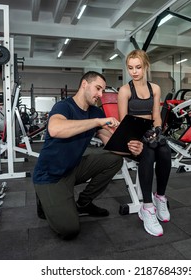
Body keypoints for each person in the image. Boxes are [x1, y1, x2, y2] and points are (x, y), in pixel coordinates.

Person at [33, 71, 143, 240]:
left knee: (114, 160)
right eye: (98, 89)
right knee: (70, 229)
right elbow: (55, 129)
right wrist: (98, 122)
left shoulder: (95, 112)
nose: (100, 95)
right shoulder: (64, 106)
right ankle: (45, 199)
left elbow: (110, 143)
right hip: (50, 175)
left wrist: (131, 149)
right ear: (84, 84)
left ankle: (83, 203)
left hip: (74, 168)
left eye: (102, 91)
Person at [118, 49, 172, 237]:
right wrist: (137, 138)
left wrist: (157, 131)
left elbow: (156, 116)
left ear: (146, 66)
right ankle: (147, 207)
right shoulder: (125, 90)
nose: (134, 71)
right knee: (148, 153)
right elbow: (124, 122)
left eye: (138, 67)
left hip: (150, 130)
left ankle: (160, 197)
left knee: (165, 151)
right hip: (132, 134)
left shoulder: (154, 89)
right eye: (131, 68)